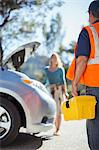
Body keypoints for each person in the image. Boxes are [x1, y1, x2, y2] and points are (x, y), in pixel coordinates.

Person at [66, 1, 99, 150]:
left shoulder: (89, 31)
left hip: (95, 85)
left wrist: (75, 84)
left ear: (91, 14)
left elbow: (82, 60)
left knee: (95, 126)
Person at [44, 52, 67, 136]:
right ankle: (48, 125)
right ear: (50, 59)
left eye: (56, 58)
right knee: (50, 110)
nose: (54, 59)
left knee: (59, 111)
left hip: (59, 91)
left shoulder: (60, 69)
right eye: (52, 57)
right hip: (49, 91)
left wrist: (66, 92)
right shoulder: (46, 69)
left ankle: (58, 129)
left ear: (58, 60)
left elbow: (63, 81)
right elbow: (45, 81)